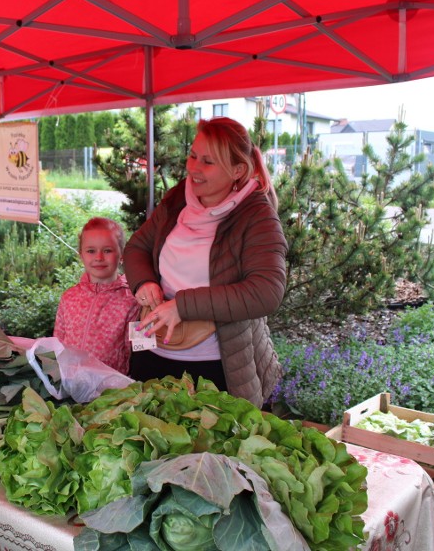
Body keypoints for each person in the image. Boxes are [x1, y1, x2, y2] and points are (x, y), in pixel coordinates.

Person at [123, 117, 287, 407]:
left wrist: (182, 306)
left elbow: (266, 292)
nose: (194, 168)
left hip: (215, 368)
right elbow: (138, 246)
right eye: (193, 155)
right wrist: (145, 281)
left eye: (208, 162)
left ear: (237, 170)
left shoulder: (257, 216)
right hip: (152, 355)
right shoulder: (178, 198)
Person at [54, 217, 140, 374]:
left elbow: (140, 352)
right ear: (81, 255)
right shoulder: (69, 297)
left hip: (111, 387)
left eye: (107, 250)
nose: (99, 257)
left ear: (121, 255)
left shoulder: (133, 301)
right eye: (91, 251)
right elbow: (57, 341)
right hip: (69, 380)